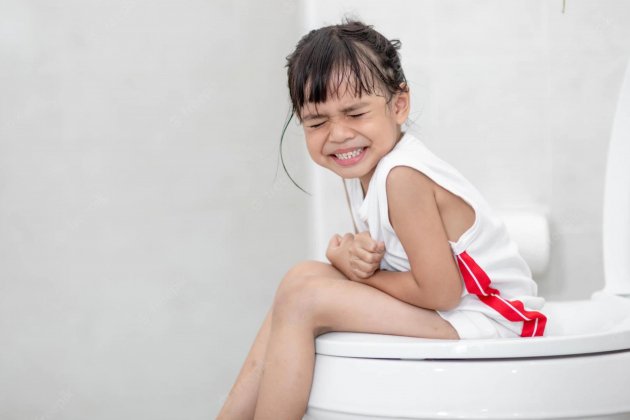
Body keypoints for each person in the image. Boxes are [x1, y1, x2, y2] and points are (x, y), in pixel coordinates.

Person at [217, 18, 547, 420]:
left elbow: (440, 292)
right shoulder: (370, 169)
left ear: (398, 105)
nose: (337, 134)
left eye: (355, 113)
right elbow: (395, 260)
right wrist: (351, 257)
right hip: (458, 313)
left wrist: (358, 273)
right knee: (299, 279)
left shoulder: (402, 178)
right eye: (317, 122)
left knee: (305, 299)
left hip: (494, 320)